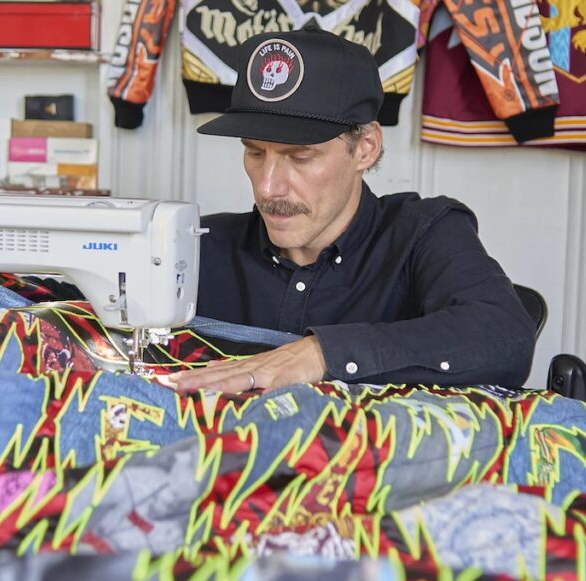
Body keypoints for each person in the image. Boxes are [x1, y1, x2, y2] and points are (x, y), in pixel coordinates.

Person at [169, 27, 535, 395]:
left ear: (366, 148)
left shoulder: (423, 234)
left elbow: (505, 335)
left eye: (301, 157)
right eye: (255, 152)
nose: (267, 187)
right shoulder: (197, 245)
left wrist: (320, 354)